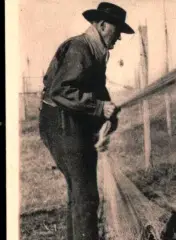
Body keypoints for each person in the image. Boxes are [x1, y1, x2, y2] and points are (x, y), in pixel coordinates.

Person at [39, 2, 134, 240]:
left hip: (70, 124)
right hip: (63, 125)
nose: (120, 37)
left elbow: (97, 91)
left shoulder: (94, 50)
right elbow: (60, 91)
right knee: (86, 194)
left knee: (80, 194)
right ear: (102, 25)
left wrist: (108, 118)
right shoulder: (80, 48)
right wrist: (100, 107)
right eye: (118, 30)